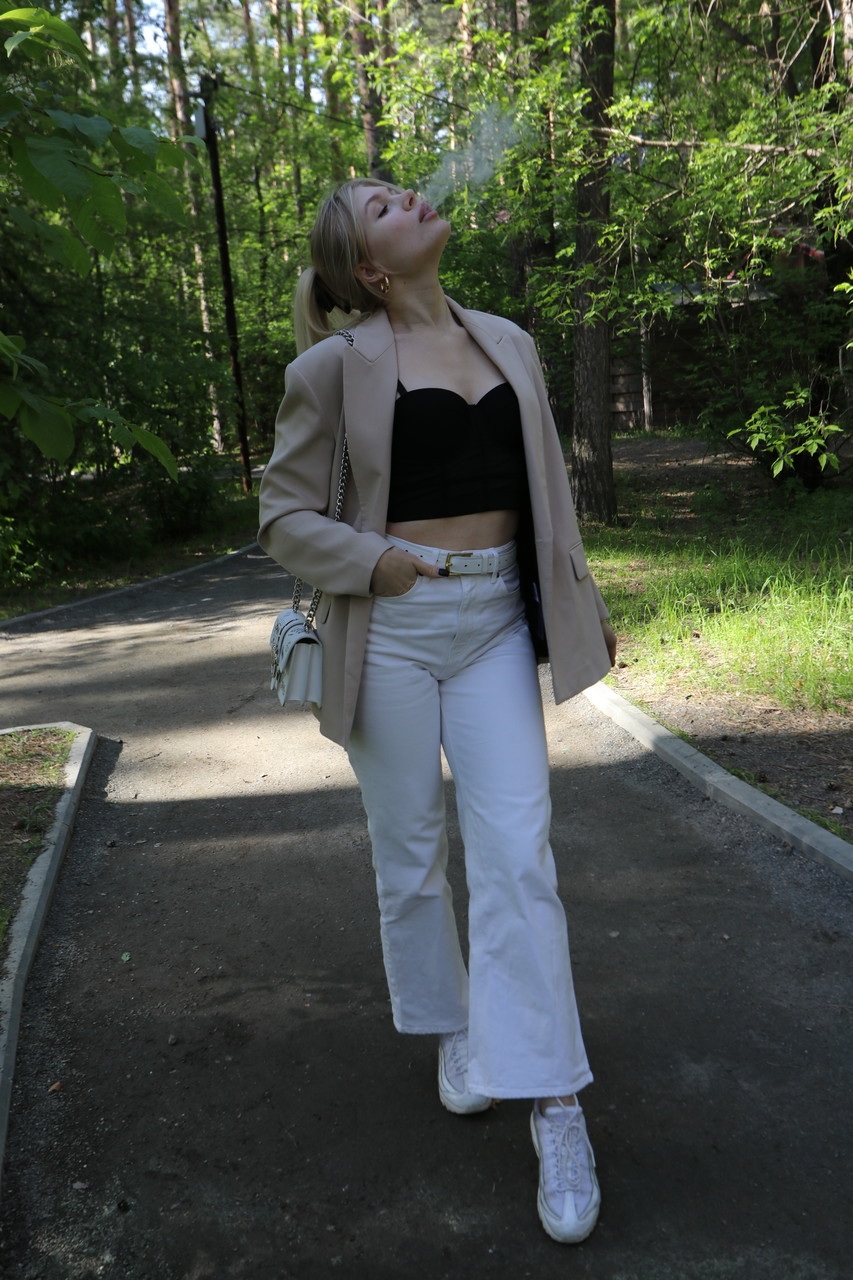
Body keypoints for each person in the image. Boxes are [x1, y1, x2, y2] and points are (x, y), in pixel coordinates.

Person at [258, 179, 617, 1245]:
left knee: (518, 853)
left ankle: (554, 1099)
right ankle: (455, 1026)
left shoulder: (509, 340)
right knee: (410, 849)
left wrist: (582, 602)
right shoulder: (332, 367)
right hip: (392, 629)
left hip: (498, 618)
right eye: (379, 206)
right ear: (369, 270)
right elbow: (282, 515)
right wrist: (374, 559)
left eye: (397, 188)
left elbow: (547, 495)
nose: (405, 195)